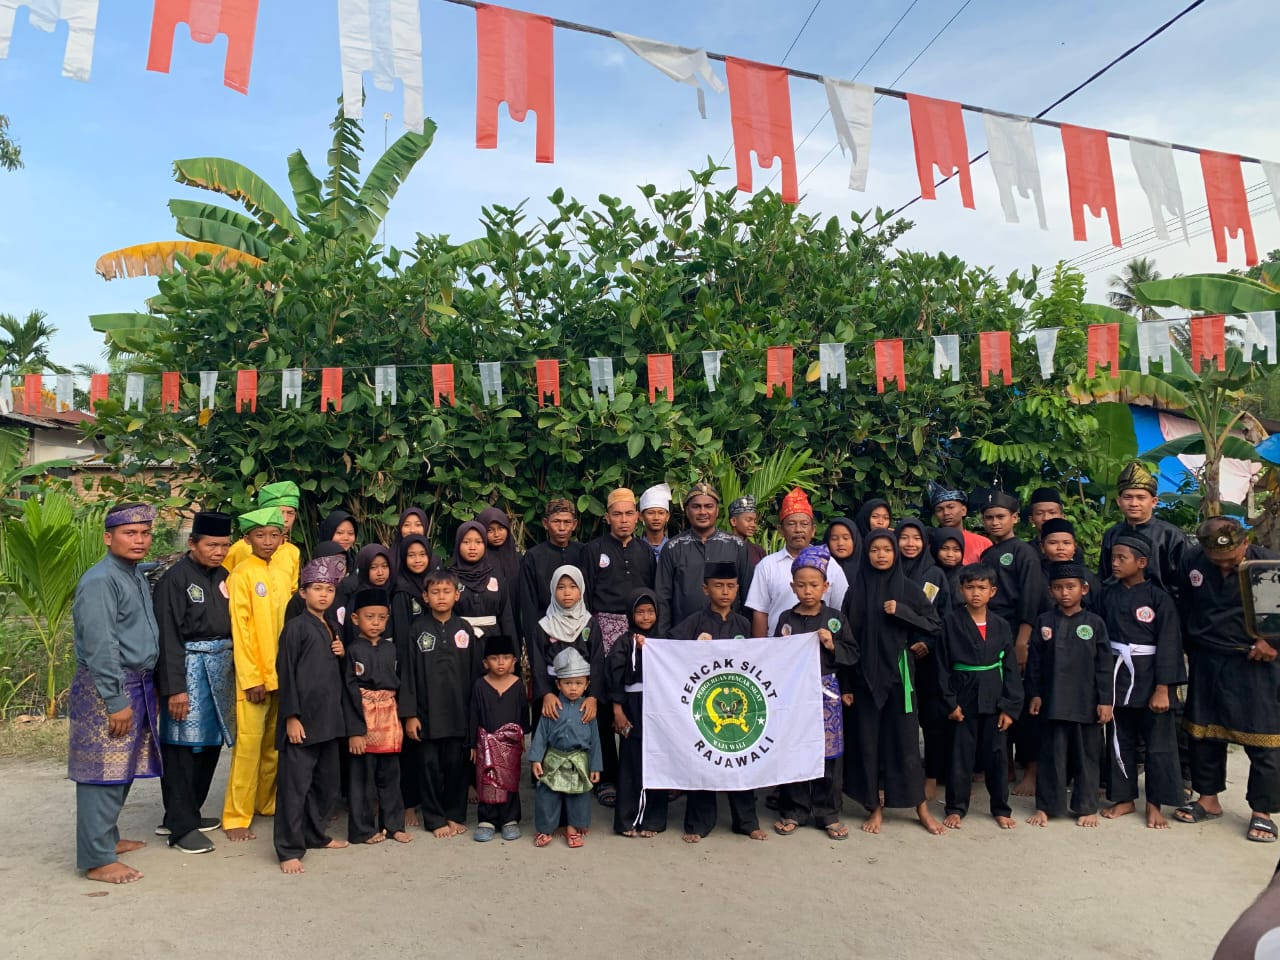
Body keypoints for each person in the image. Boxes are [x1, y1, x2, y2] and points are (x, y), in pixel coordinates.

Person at [68, 504, 162, 884]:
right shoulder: (100, 580)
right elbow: (100, 644)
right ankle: (96, 859)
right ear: (108, 537)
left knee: (122, 767)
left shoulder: (133, 574)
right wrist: (115, 699)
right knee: (100, 772)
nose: (139, 540)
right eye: (130, 533)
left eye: (145, 533)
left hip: (137, 682)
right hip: (107, 686)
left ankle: (106, 838)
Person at [1175, 517, 1280, 842]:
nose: (1224, 566)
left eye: (1231, 560)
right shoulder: (1191, 560)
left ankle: (1262, 811)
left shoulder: (1267, 566)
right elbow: (1184, 605)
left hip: (1254, 660)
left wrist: (1272, 641)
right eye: (1216, 561)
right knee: (1203, 732)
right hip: (1207, 657)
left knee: (1265, 739)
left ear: (1245, 544)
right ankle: (1208, 798)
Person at [842, 529, 944, 835]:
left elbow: (935, 625)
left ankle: (920, 808)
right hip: (864, 679)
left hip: (900, 678)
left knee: (905, 743)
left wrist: (903, 613)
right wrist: (847, 685)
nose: (881, 555)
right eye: (875, 550)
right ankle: (875, 807)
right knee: (869, 743)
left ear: (896, 553)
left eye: (887, 549)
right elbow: (846, 641)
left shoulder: (909, 589)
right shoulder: (855, 591)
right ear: (867, 554)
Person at [152, 511, 235, 856]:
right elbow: (168, 636)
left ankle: (186, 813)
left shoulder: (226, 576)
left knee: (211, 743)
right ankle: (181, 828)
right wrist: (175, 688)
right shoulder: (175, 579)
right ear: (193, 543)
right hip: (188, 669)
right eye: (211, 545)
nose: (218, 552)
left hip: (220, 670)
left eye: (224, 545)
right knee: (182, 746)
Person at [671, 561, 767, 843]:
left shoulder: (744, 624)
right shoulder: (694, 623)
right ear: (705, 589)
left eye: (730, 586)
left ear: (738, 589)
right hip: (705, 707)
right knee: (703, 761)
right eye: (718, 586)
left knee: (740, 760)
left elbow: (760, 661)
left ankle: (746, 821)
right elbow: (670, 653)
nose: (725, 592)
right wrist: (693, 648)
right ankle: (699, 824)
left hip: (740, 705)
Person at [273, 555, 356, 874]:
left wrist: (342, 653)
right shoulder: (295, 628)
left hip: (329, 721)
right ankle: (288, 849)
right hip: (303, 722)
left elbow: (337, 673)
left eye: (329, 590)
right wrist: (291, 717)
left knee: (326, 784)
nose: (323, 594)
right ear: (302, 592)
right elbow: (287, 674)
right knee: (295, 787)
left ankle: (314, 834)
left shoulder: (331, 626)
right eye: (317, 588)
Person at [1100, 531, 1185, 829]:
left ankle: (1154, 803)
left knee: (1158, 744)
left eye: (1122, 558)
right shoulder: (1106, 594)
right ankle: (1123, 798)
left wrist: (1164, 689)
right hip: (1116, 676)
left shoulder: (1159, 599)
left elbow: (1170, 644)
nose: (1115, 563)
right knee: (1118, 740)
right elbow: (1099, 639)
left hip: (1151, 679)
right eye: (1113, 557)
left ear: (1142, 562)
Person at [773, 546, 858, 840]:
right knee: (794, 748)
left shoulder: (834, 618)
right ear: (792, 586)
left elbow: (853, 655)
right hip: (793, 694)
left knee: (828, 753)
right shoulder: (786, 618)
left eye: (814, 585)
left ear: (826, 586)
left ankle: (827, 813)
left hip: (827, 693)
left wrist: (833, 645)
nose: (808, 591)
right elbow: (774, 656)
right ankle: (795, 810)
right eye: (801, 585)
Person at [221, 507, 293, 842]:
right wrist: (252, 678)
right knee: (248, 746)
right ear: (247, 538)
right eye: (260, 535)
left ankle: (266, 802)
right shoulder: (242, 574)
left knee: (273, 746)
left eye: (274, 534)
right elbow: (242, 630)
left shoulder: (282, 569)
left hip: (284, 673)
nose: (268, 541)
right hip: (255, 676)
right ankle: (236, 816)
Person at [935, 563, 1023, 830]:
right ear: (961, 589)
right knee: (960, 757)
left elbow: (1010, 667)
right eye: (970, 587)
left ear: (992, 591)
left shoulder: (1001, 625)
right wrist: (950, 702)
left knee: (997, 756)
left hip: (995, 699)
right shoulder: (950, 622)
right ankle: (956, 807)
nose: (975, 593)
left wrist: (1009, 706)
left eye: (982, 588)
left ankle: (1000, 808)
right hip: (964, 698)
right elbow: (941, 665)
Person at [1026, 562, 1114, 828]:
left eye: (1071, 587)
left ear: (1084, 589)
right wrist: (1035, 694)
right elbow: (1035, 663)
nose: (1065, 593)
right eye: (1058, 588)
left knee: (1087, 755)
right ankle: (1047, 806)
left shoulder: (1094, 623)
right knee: (1051, 754)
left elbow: (1104, 665)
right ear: (1050, 590)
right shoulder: (1044, 621)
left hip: (1086, 702)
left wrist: (1105, 700)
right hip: (1052, 701)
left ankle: (1087, 806)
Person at [583, 487, 655, 806]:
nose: (623, 520)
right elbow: (584, 596)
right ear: (607, 517)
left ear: (637, 517)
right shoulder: (593, 549)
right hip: (601, 629)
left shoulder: (645, 552)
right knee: (602, 701)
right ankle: (606, 777)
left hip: (638, 634)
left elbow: (651, 597)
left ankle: (642, 773)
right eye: (617, 514)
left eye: (629, 514)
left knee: (637, 701)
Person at [400, 568, 484, 838]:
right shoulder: (417, 631)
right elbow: (409, 676)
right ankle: (435, 818)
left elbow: (475, 675)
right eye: (435, 592)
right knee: (429, 767)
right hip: (428, 715)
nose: (441, 597)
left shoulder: (465, 630)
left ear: (456, 595)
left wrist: (475, 715)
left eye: (447, 591)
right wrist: (410, 714)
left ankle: (454, 814)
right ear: (425, 597)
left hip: (459, 714)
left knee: (457, 767)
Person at [977, 488, 1048, 799]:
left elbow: (1032, 596)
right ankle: (1002, 764)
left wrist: (1024, 637)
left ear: (1015, 518)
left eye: (1000, 517)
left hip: (1018, 631)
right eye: (989, 517)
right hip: (992, 632)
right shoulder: (987, 555)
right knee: (997, 697)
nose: (994, 522)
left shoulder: (1023, 552)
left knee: (1023, 699)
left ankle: (1031, 770)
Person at [344, 587, 413, 847]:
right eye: (369, 617)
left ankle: (393, 825)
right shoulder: (351, 651)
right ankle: (361, 829)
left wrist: (405, 718)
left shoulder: (392, 650)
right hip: (362, 716)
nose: (375, 623)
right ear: (355, 619)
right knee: (362, 779)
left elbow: (403, 685)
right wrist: (354, 730)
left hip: (389, 716)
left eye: (381, 618)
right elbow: (347, 691)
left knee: (391, 775)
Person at [746, 487, 848, 638]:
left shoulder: (830, 565)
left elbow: (840, 609)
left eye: (804, 524)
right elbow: (760, 613)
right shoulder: (767, 566)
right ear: (781, 531)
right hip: (779, 650)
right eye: (792, 524)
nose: (798, 529)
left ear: (813, 530)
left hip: (820, 651)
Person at [897, 517, 951, 801]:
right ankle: (900, 776)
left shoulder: (934, 575)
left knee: (931, 721)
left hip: (927, 659)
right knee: (900, 720)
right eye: (904, 537)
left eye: (915, 538)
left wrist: (927, 643)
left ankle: (931, 776)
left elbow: (943, 617)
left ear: (925, 542)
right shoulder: (888, 571)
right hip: (895, 656)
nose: (909, 544)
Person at [655, 483, 753, 635]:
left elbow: (748, 594)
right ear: (687, 511)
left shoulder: (736, 546)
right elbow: (663, 599)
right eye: (696, 506)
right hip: (684, 636)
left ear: (717, 511)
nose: (703, 512)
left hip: (729, 635)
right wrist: (664, 641)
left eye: (708, 506)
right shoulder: (673, 547)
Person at [529, 647, 603, 848]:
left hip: (579, 761)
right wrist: (536, 759)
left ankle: (574, 829)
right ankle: (545, 830)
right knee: (547, 796)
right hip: (554, 759)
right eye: (568, 683)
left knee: (578, 796)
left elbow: (595, 740)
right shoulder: (552, 707)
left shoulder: (587, 709)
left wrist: (595, 767)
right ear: (558, 685)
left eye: (578, 683)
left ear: (586, 684)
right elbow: (542, 734)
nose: (573, 688)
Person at [608, 588, 666, 837]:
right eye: (640, 612)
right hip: (631, 706)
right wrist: (617, 710)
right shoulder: (623, 642)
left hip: (657, 709)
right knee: (630, 763)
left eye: (650, 611)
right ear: (630, 615)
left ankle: (653, 820)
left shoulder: (664, 641)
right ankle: (627, 820)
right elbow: (615, 677)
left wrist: (651, 649)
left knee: (657, 761)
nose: (645, 617)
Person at [469, 634, 530, 842]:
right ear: (486, 662)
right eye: (495, 658)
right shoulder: (480, 685)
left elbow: (523, 713)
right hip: (485, 743)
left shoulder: (517, 685)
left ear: (514, 660)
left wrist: (523, 736)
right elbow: (473, 715)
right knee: (487, 779)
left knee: (509, 781)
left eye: (506, 657)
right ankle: (487, 819)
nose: (501, 662)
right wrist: (472, 744)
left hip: (510, 744)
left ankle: (509, 819)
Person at [528, 566, 605, 728]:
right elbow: (538, 663)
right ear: (552, 590)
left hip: (583, 691)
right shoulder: (544, 626)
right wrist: (546, 694)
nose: (567, 593)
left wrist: (592, 697)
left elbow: (597, 662)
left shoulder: (590, 624)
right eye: (561, 587)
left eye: (573, 586)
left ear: (581, 589)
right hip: (551, 690)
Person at [1098, 461, 1189, 597]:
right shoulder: (1112, 534)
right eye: (1128, 497)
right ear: (1119, 501)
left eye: (1141, 498)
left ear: (1153, 502)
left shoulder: (1171, 535)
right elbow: (1104, 576)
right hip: (1117, 605)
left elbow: (1183, 581)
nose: (1134, 503)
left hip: (1161, 607)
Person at [518, 498, 588, 662]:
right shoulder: (533, 557)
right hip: (546, 632)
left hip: (581, 631)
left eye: (567, 522)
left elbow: (588, 597)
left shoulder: (584, 552)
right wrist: (534, 642)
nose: (562, 528)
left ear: (574, 524)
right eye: (556, 521)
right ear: (545, 523)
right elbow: (529, 605)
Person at [223, 480, 302, 590]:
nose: (285, 519)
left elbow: (292, 590)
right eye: (278, 513)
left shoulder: (293, 552)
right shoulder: (240, 548)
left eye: (290, 513)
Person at [451, 520, 518, 642]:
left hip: (493, 641)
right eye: (466, 542)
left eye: (478, 542)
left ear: (485, 545)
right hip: (458, 641)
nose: (472, 548)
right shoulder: (449, 578)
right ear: (458, 544)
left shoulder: (496, 577)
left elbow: (506, 617)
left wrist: (512, 653)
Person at [1039, 518, 1101, 611]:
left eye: (1066, 543)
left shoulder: (1087, 576)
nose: (1060, 548)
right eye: (1053, 543)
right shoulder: (1036, 573)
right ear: (1042, 547)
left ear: (1074, 547)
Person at [927, 481, 992, 564]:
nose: (946, 513)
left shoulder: (983, 544)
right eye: (939, 510)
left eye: (950, 507)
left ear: (963, 510)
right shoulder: (928, 543)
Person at [477, 506, 523, 596]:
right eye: (490, 530)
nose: (497, 534)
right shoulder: (478, 560)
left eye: (501, 528)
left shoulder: (518, 559)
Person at [728, 495, 766, 568]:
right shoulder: (721, 548)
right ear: (733, 521)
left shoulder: (758, 551)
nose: (753, 525)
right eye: (748, 520)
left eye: (755, 521)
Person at [929, 526, 965, 604]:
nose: (950, 554)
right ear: (935, 549)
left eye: (956, 550)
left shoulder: (967, 576)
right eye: (944, 549)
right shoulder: (929, 575)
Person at [317, 508, 359, 572]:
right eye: (339, 533)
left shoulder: (357, 563)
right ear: (328, 533)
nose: (346, 538)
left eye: (350, 533)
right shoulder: (317, 564)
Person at [638, 483, 672, 561]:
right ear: (641, 516)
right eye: (650, 513)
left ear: (667, 516)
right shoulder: (634, 550)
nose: (656, 518)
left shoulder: (676, 549)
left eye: (661, 513)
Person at [824, 517, 859, 586]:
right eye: (834, 539)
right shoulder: (820, 566)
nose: (840, 543)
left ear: (855, 540)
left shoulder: (866, 568)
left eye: (846, 538)